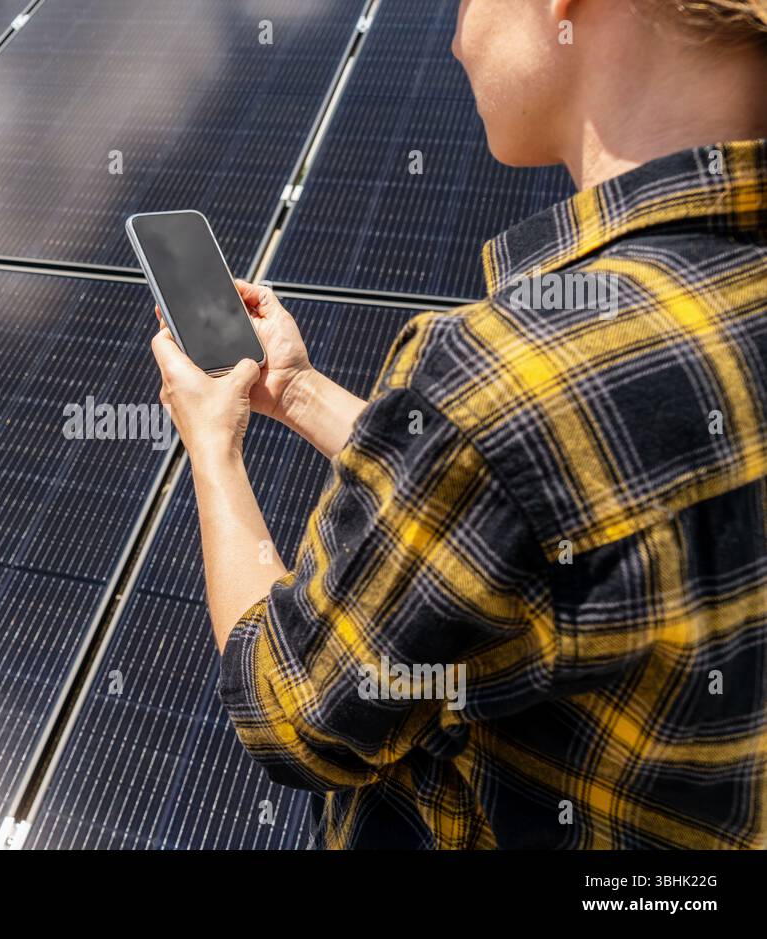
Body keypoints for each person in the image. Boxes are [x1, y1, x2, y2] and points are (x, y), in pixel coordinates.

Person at [151, 0, 767, 848]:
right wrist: (296, 391)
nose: (451, 34)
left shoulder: (510, 374)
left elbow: (289, 709)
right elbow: (533, 504)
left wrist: (212, 445)